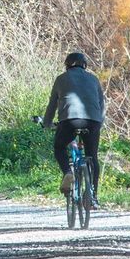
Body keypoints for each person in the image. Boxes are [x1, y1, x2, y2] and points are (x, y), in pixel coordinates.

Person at [39, 51, 105, 205]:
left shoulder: (61, 79)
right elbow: (102, 105)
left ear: (67, 66)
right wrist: (99, 123)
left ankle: (68, 173)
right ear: (85, 66)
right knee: (93, 157)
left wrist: (47, 124)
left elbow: (52, 105)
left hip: (70, 121)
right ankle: (92, 196)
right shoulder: (94, 79)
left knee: (59, 147)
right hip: (93, 122)